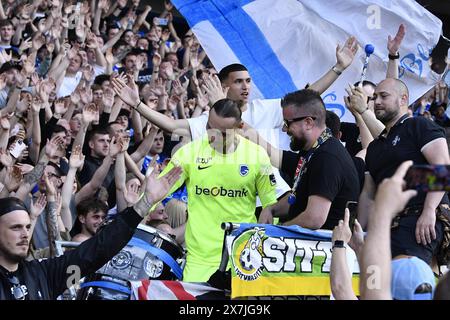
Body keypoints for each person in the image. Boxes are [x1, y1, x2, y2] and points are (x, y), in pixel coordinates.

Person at [0, 165, 182, 300]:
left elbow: (98, 251)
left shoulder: (44, 274)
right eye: (16, 227)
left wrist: (145, 203)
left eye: (26, 226)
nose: (25, 233)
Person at [149, 98, 278, 282]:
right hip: (199, 261)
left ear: (240, 127)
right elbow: (156, 192)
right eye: (210, 128)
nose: (213, 137)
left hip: (242, 259)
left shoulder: (258, 156)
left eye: (223, 133)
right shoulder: (189, 153)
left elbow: (271, 208)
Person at [354, 78, 450, 267]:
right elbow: (368, 194)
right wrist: (360, 228)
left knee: (406, 283)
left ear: (403, 99)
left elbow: (442, 168)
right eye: (374, 97)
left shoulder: (419, 125)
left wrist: (429, 211)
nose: (377, 101)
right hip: (387, 227)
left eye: (384, 96)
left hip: (420, 221)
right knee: (380, 287)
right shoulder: (374, 148)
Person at [257, 89, 360, 230]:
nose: (284, 129)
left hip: (325, 248)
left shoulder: (327, 157)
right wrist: (271, 209)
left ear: (308, 123)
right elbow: (297, 200)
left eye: (288, 123)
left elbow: (314, 219)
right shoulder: (313, 150)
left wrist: (276, 231)